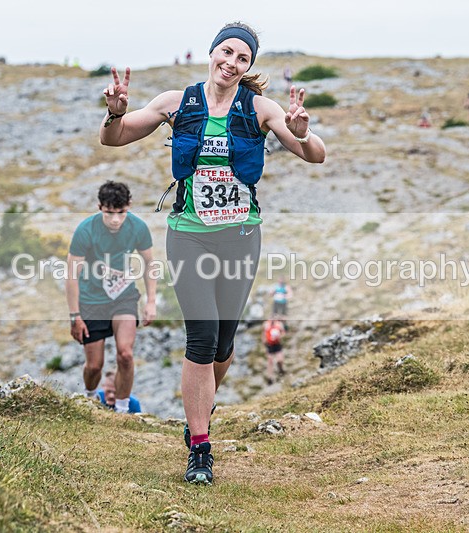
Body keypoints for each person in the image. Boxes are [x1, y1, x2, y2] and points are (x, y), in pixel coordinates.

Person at [99, 22, 326, 484]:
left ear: (248, 67)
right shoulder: (176, 102)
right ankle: (200, 447)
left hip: (241, 237)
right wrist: (114, 113)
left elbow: (316, 154)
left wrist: (302, 132)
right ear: (211, 52)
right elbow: (114, 138)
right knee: (201, 338)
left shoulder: (260, 108)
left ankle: (198, 410)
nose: (232, 63)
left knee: (223, 344)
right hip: (189, 234)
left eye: (242, 59)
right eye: (227, 52)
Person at [65, 181, 157, 414]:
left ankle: (123, 410)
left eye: (121, 213)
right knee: (95, 366)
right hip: (91, 299)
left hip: (123, 296)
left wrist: (151, 301)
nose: (115, 220)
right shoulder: (86, 230)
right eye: (109, 213)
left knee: (125, 354)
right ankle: (88, 398)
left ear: (129, 207)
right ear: (100, 208)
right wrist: (75, 315)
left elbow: (150, 264)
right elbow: (71, 275)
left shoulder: (138, 227)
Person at [262, 316, 286, 385]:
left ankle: (281, 369)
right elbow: (263, 333)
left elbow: (283, 332)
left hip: (277, 344)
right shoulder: (266, 324)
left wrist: (279, 337)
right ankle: (270, 377)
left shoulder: (279, 324)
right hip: (269, 345)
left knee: (280, 359)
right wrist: (264, 341)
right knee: (270, 361)